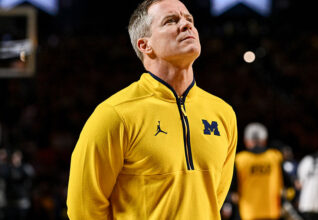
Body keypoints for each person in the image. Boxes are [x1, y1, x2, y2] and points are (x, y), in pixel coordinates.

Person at [66, 0, 238, 219]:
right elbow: (83, 209)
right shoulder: (114, 114)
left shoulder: (223, 113)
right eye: (171, 21)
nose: (186, 25)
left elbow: (213, 199)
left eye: (189, 19)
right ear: (145, 45)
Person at [234, 123, 284, 220]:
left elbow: (233, 190)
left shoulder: (240, 159)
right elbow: (287, 184)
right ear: (264, 140)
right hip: (272, 211)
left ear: (246, 141)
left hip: (248, 213)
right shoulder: (275, 157)